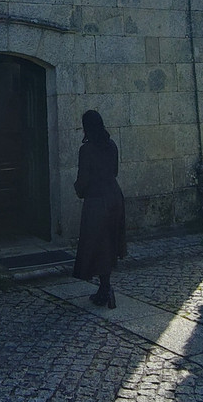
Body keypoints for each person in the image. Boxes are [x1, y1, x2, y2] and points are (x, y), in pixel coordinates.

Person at [72, 110, 126, 308]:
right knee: (108, 243)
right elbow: (115, 171)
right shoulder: (111, 145)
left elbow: (83, 179)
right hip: (114, 197)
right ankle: (104, 288)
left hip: (96, 200)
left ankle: (106, 289)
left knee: (98, 244)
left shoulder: (86, 150)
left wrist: (79, 189)